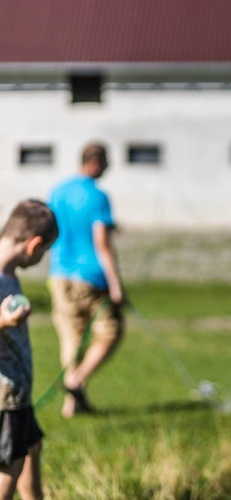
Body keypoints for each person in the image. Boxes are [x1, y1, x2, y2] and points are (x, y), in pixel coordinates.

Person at [48, 142, 126, 418]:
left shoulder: (58, 191)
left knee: (72, 337)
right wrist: (116, 283)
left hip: (58, 274)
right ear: (95, 162)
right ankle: (75, 380)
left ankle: (72, 404)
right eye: (106, 161)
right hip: (91, 275)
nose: (108, 167)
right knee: (110, 331)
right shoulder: (98, 196)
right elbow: (101, 241)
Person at [0, 199, 58, 499]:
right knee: (10, 466)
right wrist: (4, 321)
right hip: (6, 397)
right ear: (34, 246)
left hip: (19, 393)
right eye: (45, 251)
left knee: (31, 449)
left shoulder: (9, 277)